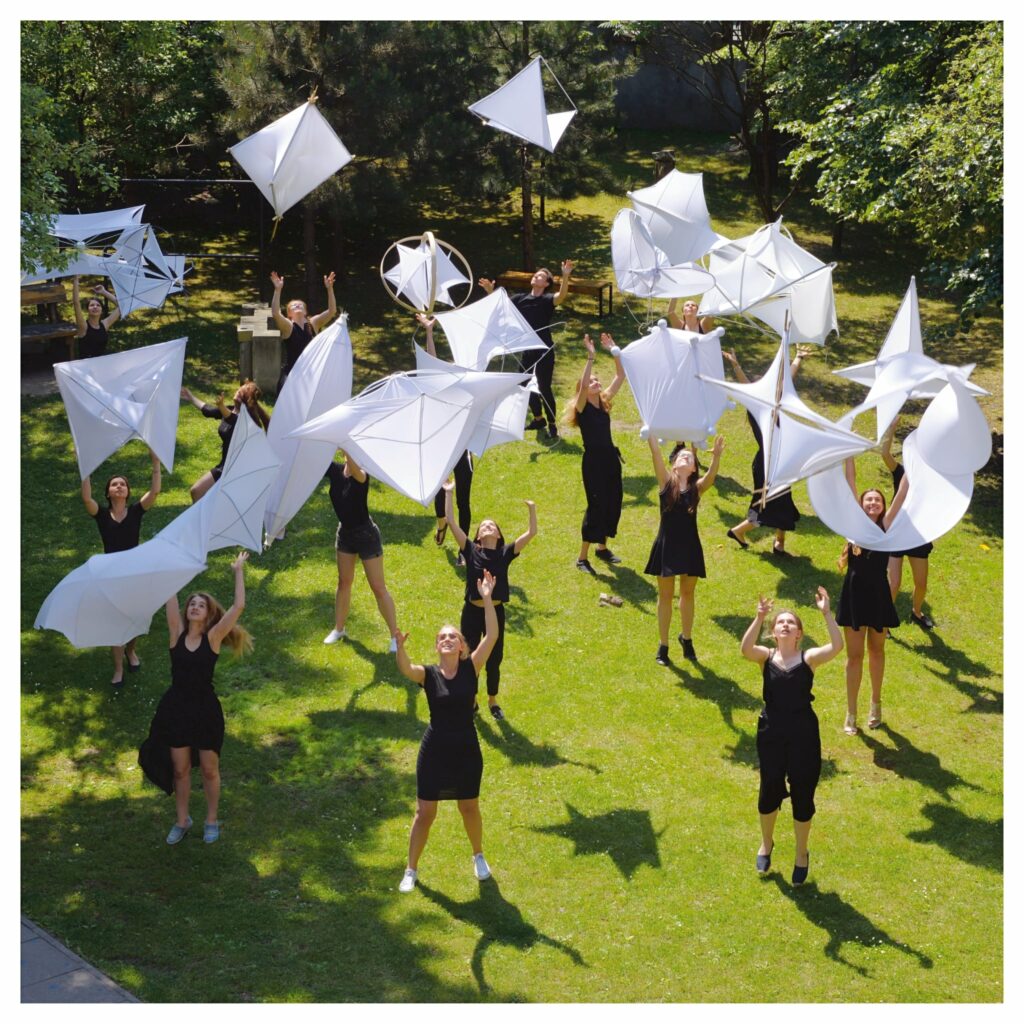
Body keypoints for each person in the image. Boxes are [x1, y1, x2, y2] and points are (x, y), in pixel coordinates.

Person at [394, 570, 499, 893]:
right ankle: (411, 869)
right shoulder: (428, 674)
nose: (447, 639)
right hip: (435, 749)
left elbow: (492, 635)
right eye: (442, 637)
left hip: (466, 748)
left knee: (469, 807)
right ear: (437, 646)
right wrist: (400, 647)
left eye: (453, 636)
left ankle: (478, 856)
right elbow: (406, 670)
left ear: (462, 646)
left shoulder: (471, 667)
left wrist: (486, 598)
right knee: (425, 812)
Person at [139, 551, 252, 845]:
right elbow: (170, 596)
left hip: (205, 711)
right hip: (176, 709)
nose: (195, 607)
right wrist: (170, 570)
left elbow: (239, 606)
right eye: (192, 604)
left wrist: (238, 571)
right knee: (180, 770)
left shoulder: (213, 638)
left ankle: (211, 820)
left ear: (209, 613)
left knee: (210, 769)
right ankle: (182, 820)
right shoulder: (176, 634)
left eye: (201, 605)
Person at [740, 588, 843, 885]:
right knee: (769, 788)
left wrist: (827, 613)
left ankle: (801, 854)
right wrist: (759, 617)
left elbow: (837, 647)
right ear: (774, 632)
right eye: (780, 622)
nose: (785, 625)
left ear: (799, 634)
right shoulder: (766, 656)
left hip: (803, 733)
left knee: (802, 792)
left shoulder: (808, 658)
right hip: (772, 731)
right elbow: (746, 649)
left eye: (791, 622)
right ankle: (766, 844)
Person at [442, 483, 536, 720]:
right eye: (483, 525)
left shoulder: (505, 553)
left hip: (494, 613)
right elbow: (451, 522)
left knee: (494, 658)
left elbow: (531, 533)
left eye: (491, 525)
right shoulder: (471, 550)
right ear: (477, 536)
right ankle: (471, 700)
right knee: (468, 658)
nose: (487, 526)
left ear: (498, 535)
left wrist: (532, 509)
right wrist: (449, 492)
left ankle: (492, 700)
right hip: (472, 612)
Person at [835, 456, 909, 734]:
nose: (873, 503)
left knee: (877, 651)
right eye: (869, 499)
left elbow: (903, 491)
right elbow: (850, 481)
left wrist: (914, 462)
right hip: (854, 596)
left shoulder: (886, 525)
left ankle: (875, 704)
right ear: (861, 504)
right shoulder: (854, 524)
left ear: (882, 506)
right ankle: (851, 712)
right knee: (854, 657)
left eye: (878, 500)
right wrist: (850, 453)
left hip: (878, 595)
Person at [80, 449, 162, 687]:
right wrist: (85, 469)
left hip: (135, 573)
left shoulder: (136, 512)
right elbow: (86, 499)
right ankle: (118, 669)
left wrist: (155, 463)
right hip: (110, 576)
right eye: (114, 484)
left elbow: (155, 492)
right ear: (108, 492)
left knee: (136, 619)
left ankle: (131, 650)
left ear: (127, 492)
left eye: (123, 484)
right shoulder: (101, 515)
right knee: (115, 622)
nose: (119, 486)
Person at [645, 434, 725, 665]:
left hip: (689, 546)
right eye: (682, 455)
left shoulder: (696, 488)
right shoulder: (665, 482)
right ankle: (663, 646)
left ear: (693, 468)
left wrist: (716, 457)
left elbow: (710, 478)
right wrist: (651, 433)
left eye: (690, 457)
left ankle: (686, 639)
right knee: (665, 596)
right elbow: (655, 453)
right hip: (667, 546)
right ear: (674, 464)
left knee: (688, 594)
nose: (686, 457)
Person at [722, 347, 810, 554]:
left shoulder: (775, 405)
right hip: (767, 463)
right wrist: (736, 365)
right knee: (767, 505)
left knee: (783, 500)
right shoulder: (757, 407)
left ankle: (779, 542)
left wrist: (798, 358)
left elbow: (786, 381)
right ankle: (738, 531)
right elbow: (746, 386)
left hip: (776, 460)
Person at [478, 260, 574, 439]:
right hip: (528, 349)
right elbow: (502, 306)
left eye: (540, 276)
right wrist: (491, 291)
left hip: (544, 349)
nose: (535, 277)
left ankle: (552, 424)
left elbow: (561, 295)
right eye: (535, 275)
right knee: (523, 384)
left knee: (544, 387)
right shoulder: (519, 299)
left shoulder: (547, 300)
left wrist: (565, 275)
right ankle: (538, 419)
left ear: (546, 284)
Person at [321, 451, 400, 652]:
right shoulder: (336, 471)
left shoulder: (362, 475)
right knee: (343, 582)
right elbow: (315, 460)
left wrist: (345, 445)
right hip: (345, 534)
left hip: (366, 536)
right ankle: (339, 629)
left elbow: (355, 470)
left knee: (378, 587)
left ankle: (395, 637)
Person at [565, 332, 626, 573]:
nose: (596, 382)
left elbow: (621, 376)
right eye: (592, 382)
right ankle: (582, 558)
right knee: (596, 505)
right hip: (593, 463)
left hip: (611, 458)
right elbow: (583, 387)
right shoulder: (582, 407)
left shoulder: (604, 401)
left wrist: (614, 350)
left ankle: (602, 548)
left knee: (613, 501)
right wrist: (590, 357)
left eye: (597, 380)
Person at [416, 313, 473, 564]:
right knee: (440, 492)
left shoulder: (469, 392)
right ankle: (442, 524)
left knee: (463, 500)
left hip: (463, 451)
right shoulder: (437, 391)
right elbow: (430, 364)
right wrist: (429, 331)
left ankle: (464, 549)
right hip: (441, 448)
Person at [880, 421, 935, 629]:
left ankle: (917, 612)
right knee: (894, 583)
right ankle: (884, 622)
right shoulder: (900, 472)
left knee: (921, 583)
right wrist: (891, 428)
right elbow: (885, 454)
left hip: (918, 536)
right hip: (896, 533)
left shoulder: (931, 480)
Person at [180, 381, 271, 503]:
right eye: (239, 390)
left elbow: (232, 420)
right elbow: (209, 411)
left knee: (210, 497)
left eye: (241, 392)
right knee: (196, 491)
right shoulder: (230, 409)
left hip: (237, 471)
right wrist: (190, 397)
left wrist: (221, 406)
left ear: (246, 399)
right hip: (224, 467)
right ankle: (205, 515)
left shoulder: (246, 421)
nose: (237, 392)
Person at [270, 270, 337, 392]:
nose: (297, 305)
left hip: (310, 374)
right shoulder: (288, 326)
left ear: (305, 311)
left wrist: (330, 289)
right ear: (289, 314)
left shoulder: (314, 323)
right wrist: (278, 290)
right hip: (291, 376)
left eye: (300, 304)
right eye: (293, 305)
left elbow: (332, 311)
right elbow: (275, 313)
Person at [72, 276, 120, 358]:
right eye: (92, 305)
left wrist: (104, 292)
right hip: (87, 364)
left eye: (98, 305)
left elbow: (121, 306)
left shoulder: (105, 324)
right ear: (87, 310)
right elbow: (76, 303)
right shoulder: (83, 327)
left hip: (101, 362)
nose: (95, 307)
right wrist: (76, 280)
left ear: (101, 310)